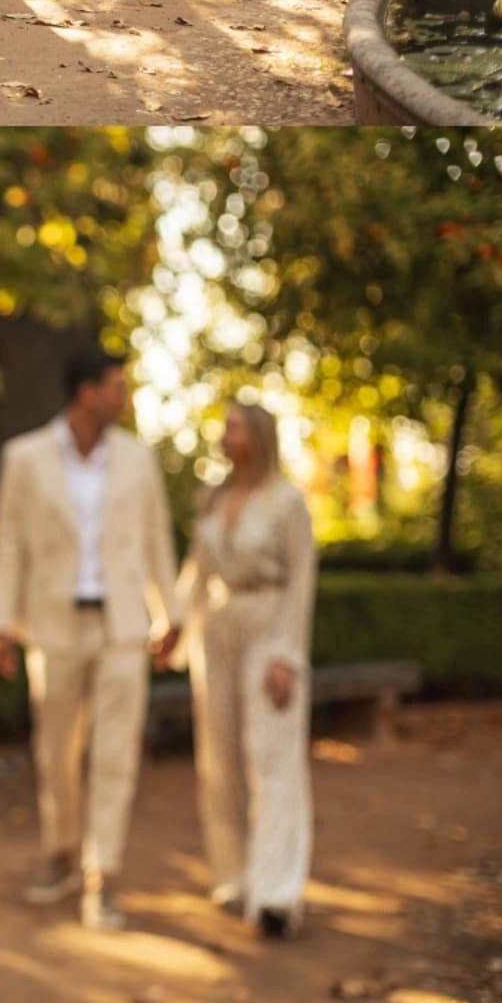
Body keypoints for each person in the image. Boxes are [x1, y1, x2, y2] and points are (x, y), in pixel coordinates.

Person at [0, 345, 182, 932]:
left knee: (115, 754)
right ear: (86, 392)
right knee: (57, 752)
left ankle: (104, 876)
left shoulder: (138, 460)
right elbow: (8, 545)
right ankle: (62, 851)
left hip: (122, 627)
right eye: (117, 386)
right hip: (54, 626)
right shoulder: (24, 458)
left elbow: (156, 540)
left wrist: (169, 614)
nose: (125, 397)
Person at [176, 401, 317, 939]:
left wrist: (286, 656)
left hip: (269, 625)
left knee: (272, 757)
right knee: (220, 756)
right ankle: (233, 875)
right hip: (217, 633)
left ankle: (277, 892)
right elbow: (196, 572)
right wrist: (171, 627)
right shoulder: (213, 499)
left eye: (233, 426)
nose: (224, 434)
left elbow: (301, 582)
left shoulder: (287, 502)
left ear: (258, 435)